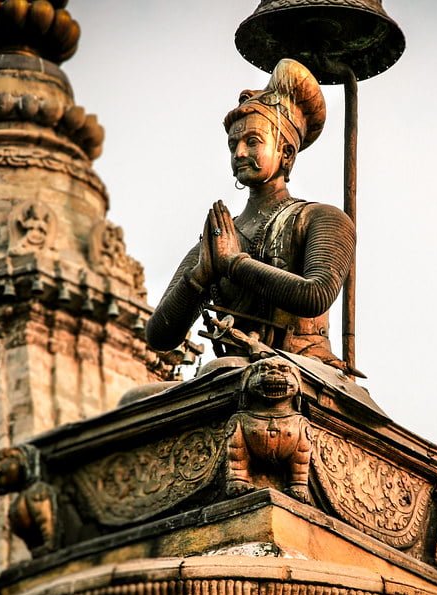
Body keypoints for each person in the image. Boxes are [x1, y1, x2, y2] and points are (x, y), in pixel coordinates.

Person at [146, 59, 355, 372]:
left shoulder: (320, 218)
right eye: (233, 145)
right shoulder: (219, 240)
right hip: (231, 367)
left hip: (299, 367)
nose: (239, 153)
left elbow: (316, 294)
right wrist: (201, 275)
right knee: (136, 396)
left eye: (252, 141)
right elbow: (159, 336)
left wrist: (234, 264)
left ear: (286, 153)